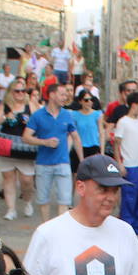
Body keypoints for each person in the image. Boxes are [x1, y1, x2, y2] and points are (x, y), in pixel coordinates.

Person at [24, 82, 80, 220]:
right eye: (62, 94)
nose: (65, 97)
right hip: (43, 163)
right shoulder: (37, 115)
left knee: (64, 201)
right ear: (52, 95)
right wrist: (44, 142)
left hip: (63, 163)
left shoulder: (67, 114)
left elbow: (76, 137)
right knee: (43, 200)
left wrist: (82, 160)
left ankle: (60, 233)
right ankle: (46, 230)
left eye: (66, 95)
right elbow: (26, 137)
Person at [112, 91, 138, 241]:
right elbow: (117, 143)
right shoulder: (123, 121)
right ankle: (126, 231)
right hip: (130, 165)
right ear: (133, 105)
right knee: (130, 199)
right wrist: (119, 163)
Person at [0, 82, 36, 220]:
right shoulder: (4, 106)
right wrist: (5, 117)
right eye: (17, 91)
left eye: (23, 91)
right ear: (11, 92)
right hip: (7, 146)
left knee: (26, 180)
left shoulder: (31, 105)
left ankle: (28, 202)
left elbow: (40, 120)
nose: (20, 93)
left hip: (25, 148)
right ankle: (11, 209)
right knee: (8, 178)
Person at [68, 89, 106, 173]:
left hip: (93, 147)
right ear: (80, 101)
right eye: (86, 100)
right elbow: (72, 133)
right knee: (77, 174)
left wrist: (102, 151)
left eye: (91, 99)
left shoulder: (98, 114)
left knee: (94, 174)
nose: (89, 102)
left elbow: (101, 133)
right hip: (79, 147)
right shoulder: (74, 115)